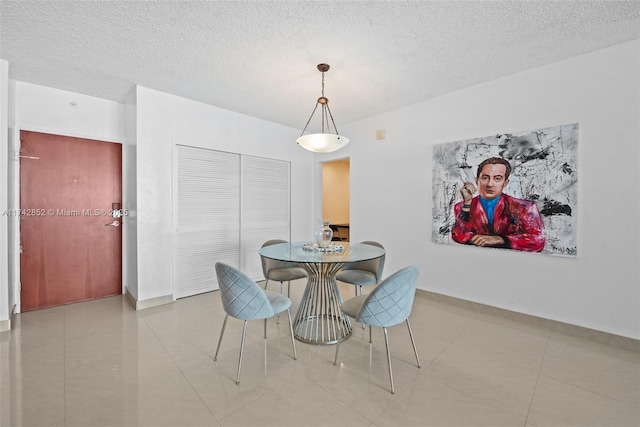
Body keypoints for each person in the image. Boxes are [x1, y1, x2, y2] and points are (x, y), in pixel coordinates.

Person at [451, 157, 545, 252]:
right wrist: (467, 203)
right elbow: (458, 236)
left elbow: (537, 240)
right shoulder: (462, 207)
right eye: (485, 178)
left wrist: (501, 239)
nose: (490, 184)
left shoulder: (525, 207)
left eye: (497, 178)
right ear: (477, 180)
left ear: (505, 183)